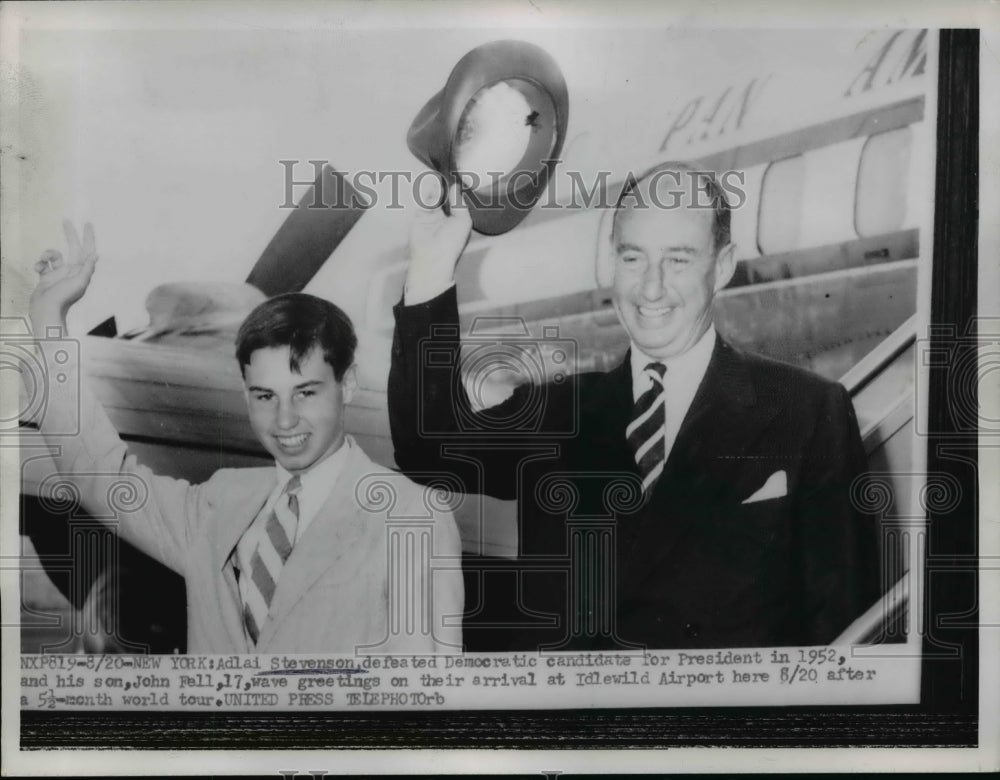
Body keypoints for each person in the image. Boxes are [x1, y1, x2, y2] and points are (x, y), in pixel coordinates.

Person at [388, 163, 880, 651]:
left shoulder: (807, 411)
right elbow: (428, 449)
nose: (651, 288)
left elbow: (843, 634)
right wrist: (432, 267)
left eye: (680, 260)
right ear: (612, 262)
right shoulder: (559, 411)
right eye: (633, 259)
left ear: (723, 265)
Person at [28, 222, 462, 654]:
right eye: (265, 395)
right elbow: (100, 474)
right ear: (246, 394)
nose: (285, 420)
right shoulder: (217, 504)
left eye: (306, 392)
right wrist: (49, 319)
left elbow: (425, 698)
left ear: (346, 385)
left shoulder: (412, 516)